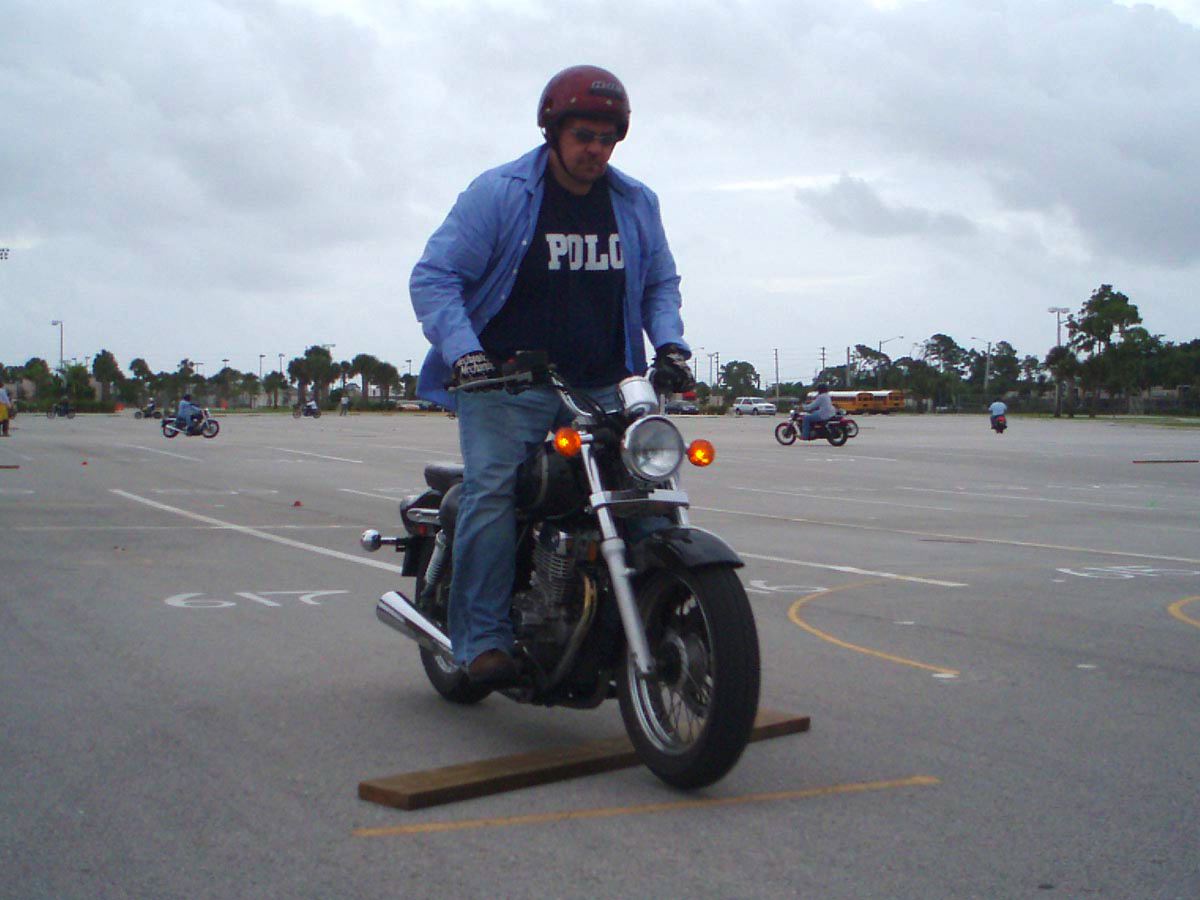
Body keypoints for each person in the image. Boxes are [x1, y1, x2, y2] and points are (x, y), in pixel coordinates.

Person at [409, 64, 694, 687]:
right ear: (553, 132)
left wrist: (670, 344)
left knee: (646, 491)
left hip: (605, 380)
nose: (596, 149)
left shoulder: (635, 202)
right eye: (584, 136)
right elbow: (435, 278)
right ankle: (481, 640)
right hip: (505, 382)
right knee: (494, 491)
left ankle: (651, 619)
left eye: (607, 138)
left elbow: (659, 284)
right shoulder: (500, 193)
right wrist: (466, 355)